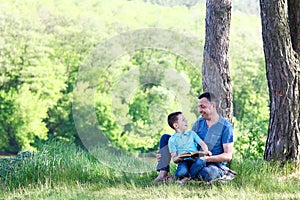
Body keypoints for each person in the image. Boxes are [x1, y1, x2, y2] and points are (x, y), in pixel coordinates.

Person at [154, 92, 234, 183]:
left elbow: (228, 155)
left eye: (202, 107)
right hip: (193, 160)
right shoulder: (199, 122)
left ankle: (184, 177)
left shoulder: (226, 127)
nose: (199, 110)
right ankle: (162, 174)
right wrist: (164, 152)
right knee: (165, 138)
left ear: (213, 106)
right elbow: (186, 141)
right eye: (199, 107)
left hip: (212, 164)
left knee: (207, 173)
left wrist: (207, 158)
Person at [166, 111, 212, 184]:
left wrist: (206, 151)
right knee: (180, 173)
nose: (186, 121)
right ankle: (191, 177)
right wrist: (179, 158)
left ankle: (186, 178)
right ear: (176, 125)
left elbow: (202, 144)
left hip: (195, 160)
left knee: (201, 161)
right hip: (184, 162)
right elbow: (174, 159)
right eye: (183, 120)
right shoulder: (172, 140)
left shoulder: (192, 134)